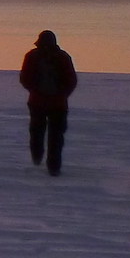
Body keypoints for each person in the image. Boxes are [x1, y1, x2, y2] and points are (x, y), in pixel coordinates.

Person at [18, 30, 77, 176]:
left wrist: (34, 91)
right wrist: (63, 94)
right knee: (56, 136)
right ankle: (53, 167)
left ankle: (37, 157)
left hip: (37, 102)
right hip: (58, 104)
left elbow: (25, 78)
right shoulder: (63, 57)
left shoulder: (32, 56)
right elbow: (71, 80)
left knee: (37, 131)